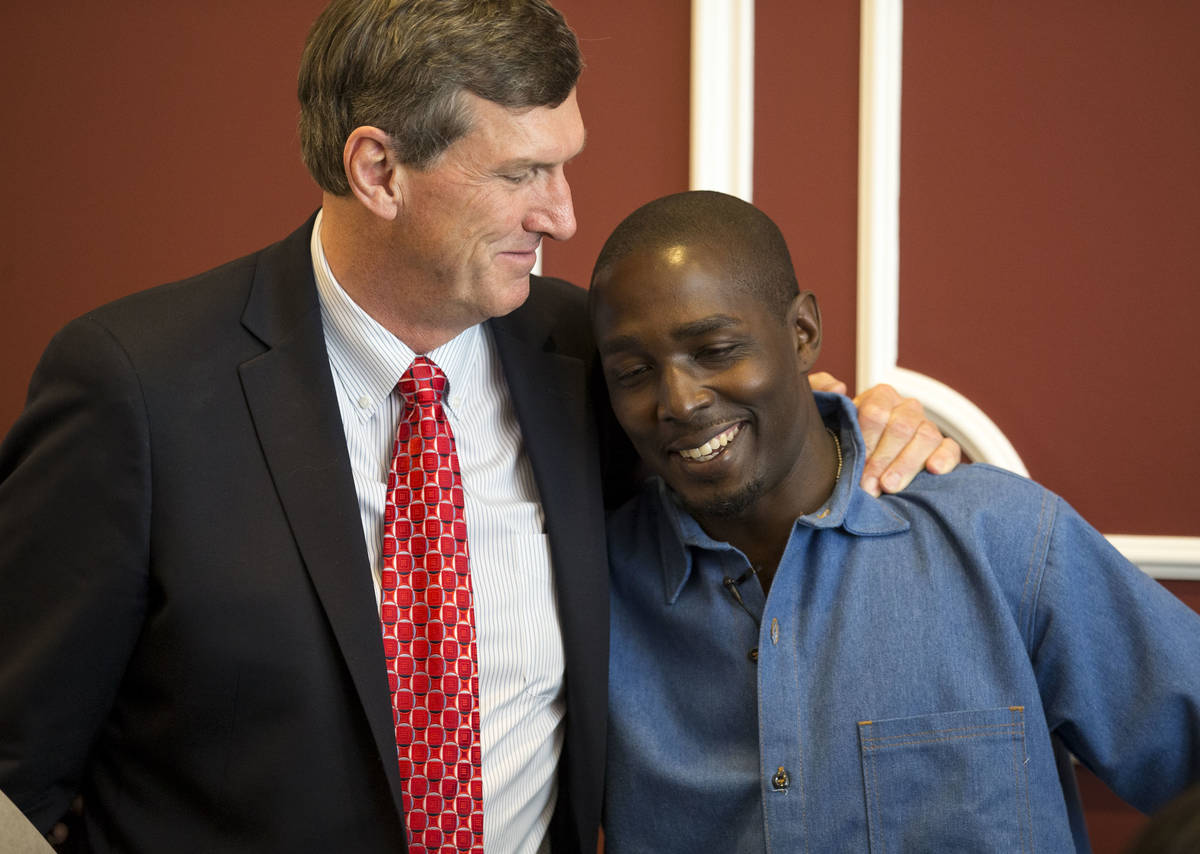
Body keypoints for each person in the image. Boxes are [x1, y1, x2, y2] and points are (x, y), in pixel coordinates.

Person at [0, 3, 956, 853]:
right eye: (522, 172)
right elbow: (14, 766)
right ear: (378, 169)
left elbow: (754, 438)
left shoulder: (597, 358)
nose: (565, 216)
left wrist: (866, 424)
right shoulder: (136, 385)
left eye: (565, 164)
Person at [591, 190, 1200, 852]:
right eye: (633, 373)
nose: (677, 401)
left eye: (715, 348)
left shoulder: (999, 537)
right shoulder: (590, 588)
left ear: (801, 334)